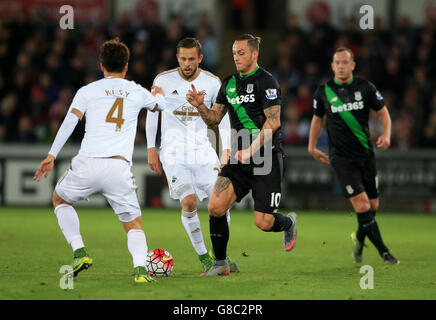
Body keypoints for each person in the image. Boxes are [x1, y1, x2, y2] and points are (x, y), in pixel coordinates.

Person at [33, 38, 167, 284]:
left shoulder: (87, 91)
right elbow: (162, 106)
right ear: (127, 66)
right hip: (118, 167)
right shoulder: (137, 91)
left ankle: (80, 251)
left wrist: (51, 154)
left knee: (60, 199)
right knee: (133, 223)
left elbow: (69, 122)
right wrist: (158, 95)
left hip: (87, 163)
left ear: (101, 65)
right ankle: (140, 271)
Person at [186, 34, 298, 276]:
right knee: (215, 207)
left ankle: (288, 222)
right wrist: (200, 107)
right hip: (239, 159)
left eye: (241, 53)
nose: (236, 57)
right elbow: (215, 119)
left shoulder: (267, 82)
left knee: (263, 223)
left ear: (254, 54)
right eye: (234, 53)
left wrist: (251, 149)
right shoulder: (228, 84)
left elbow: (274, 122)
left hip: (266, 159)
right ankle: (220, 263)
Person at [146, 37, 239, 273]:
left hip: (203, 151)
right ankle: (205, 259)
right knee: (189, 202)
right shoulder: (163, 81)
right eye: (183, 58)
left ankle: (219, 255)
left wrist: (226, 148)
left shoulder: (212, 82)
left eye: (191, 59)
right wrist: (150, 149)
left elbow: (224, 116)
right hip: (174, 152)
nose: (187, 63)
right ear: (177, 58)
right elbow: (152, 114)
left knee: (222, 203)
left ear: (200, 58)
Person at [308, 47, 399, 264]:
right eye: (337, 63)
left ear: (352, 65)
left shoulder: (365, 87)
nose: (340, 66)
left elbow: (383, 112)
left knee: (373, 207)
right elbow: (317, 120)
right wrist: (311, 146)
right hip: (341, 158)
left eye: (344, 62)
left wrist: (387, 134)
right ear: (332, 66)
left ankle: (359, 240)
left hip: (366, 154)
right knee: (362, 205)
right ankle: (385, 252)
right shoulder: (324, 91)